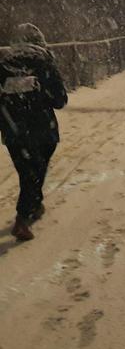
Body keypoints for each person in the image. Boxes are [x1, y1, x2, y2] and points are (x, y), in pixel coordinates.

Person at [0, 23, 68, 241]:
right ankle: (22, 217)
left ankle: (34, 204)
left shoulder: (2, 61)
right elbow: (59, 99)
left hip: (12, 128)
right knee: (36, 171)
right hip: (41, 127)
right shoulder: (44, 60)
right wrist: (42, 95)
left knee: (26, 170)